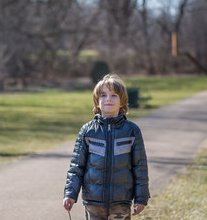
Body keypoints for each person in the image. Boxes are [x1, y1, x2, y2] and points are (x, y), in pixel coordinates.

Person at [63, 74, 150, 220]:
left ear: (122, 102)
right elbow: (76, 166)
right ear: (97, 102)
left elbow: (140, 167)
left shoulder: (132, 130)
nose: (108, 99)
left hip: (121, 201)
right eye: (103, 95)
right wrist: (70, 193)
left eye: (114, 95)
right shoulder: (87, 131)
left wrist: (141, 198)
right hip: (93, 202)